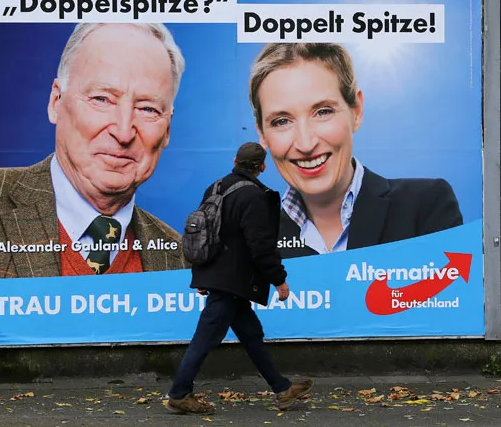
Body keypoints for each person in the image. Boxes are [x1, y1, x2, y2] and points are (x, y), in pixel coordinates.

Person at [0, 22, 187, 279]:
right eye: (101, 99)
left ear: (167, 129)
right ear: (56, 102)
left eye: (148, 109)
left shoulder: (181, 262)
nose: (123, 132)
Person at [248, 43, 463, 258]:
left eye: (323, 112)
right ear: (261, 133)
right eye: (282, 121)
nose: (305, 144)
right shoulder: (252, 241)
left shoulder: (425, 207)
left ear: (356, 111)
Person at [166, 142, 314, 415]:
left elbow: (201, 234)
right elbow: (261, 245)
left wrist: (202, 273)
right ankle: (179, 394)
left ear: (235, 161)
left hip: (223, 278)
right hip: (232, 281)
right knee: (205, 338)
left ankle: (282, 388)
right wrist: (278, 279)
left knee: (251, 335)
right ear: (263, 166)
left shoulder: (215, 188)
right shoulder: (254, 196)